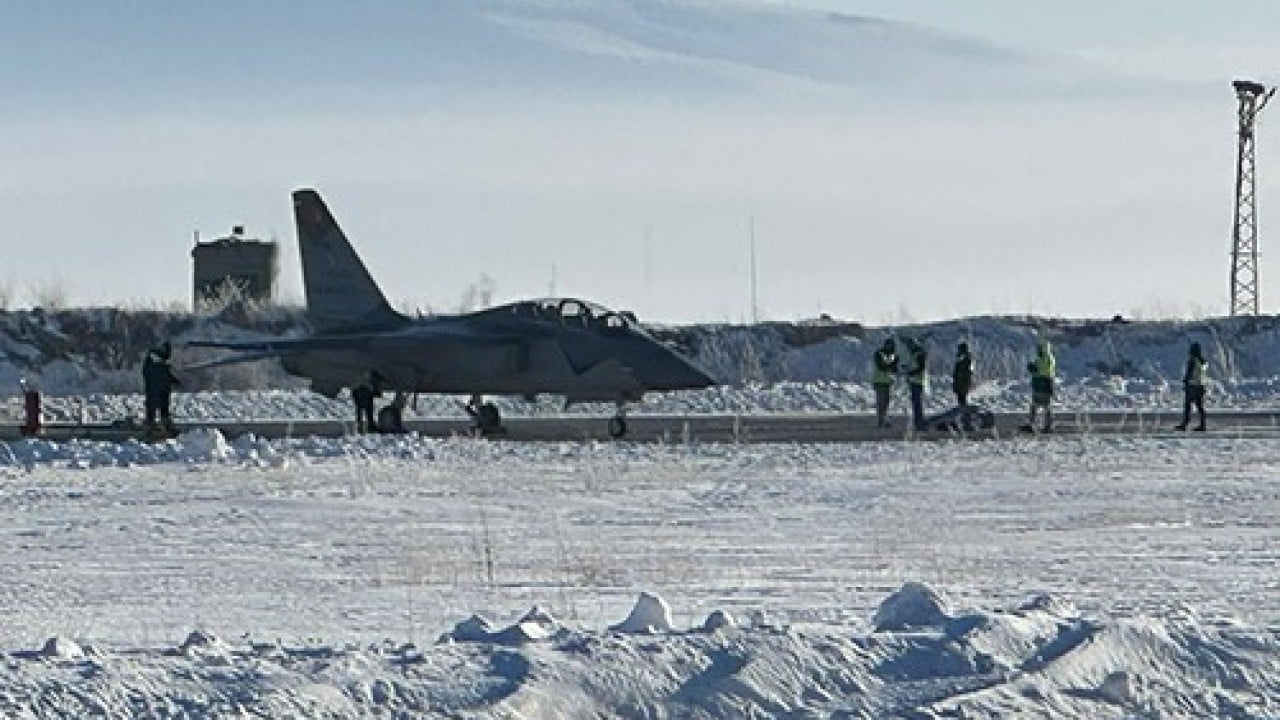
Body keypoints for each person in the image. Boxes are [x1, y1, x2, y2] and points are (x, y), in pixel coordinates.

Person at [141, 341, 180, 437]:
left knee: (160, 407)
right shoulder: (156, 361)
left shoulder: (155, 360)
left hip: (160, 388)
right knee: (157, 407)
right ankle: (153, 427)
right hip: (157, 388)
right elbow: (162, 375)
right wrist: (171, 380)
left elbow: (164, 374)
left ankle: (160, 425)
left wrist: (173, 380)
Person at [1175, 342, 1208, 431]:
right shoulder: (1204, 362)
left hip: (1192, 385)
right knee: (1199, 406)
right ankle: (1203, 424)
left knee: (1187, 406)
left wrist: (1185, 382)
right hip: (1201, 385)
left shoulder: (1193, 361)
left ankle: (1185, 423)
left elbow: (1189, 373)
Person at [1027, 339, 1056, 433]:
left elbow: (1046, 371)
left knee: (1047, 407)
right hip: (1038, 385)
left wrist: (1035, 369)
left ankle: (1049, 425)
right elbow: (1036, 371)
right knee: (1034, 406)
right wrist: (1032, 368)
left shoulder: (1049, 358)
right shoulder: (1038, 359)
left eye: (1039, 348)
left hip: (1045, 385)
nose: (1038, 350)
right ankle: (1032, 424)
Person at [871, 338, 899, 428]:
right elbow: (882, 366)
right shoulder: (879, 354)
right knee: (881, 401)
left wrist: (895, 365)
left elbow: (893, 369)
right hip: (879, 381)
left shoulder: (892, 355)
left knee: (886, 401)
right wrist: (893, 364)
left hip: (887, 381)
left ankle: (884, 418)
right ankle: (881, 420)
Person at [903, 337, 929, 431]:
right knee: (916, 403)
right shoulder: (914, 354)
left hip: (917, 381)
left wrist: (911, 373)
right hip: (914, 381)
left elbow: (920, 367)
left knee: (917, 403)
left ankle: (919, 422)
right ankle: (918, 422)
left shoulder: (919, 354)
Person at [952, 342, 974, 408]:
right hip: (960, 382)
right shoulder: (961, 359)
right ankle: (963, 410)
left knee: (962, 398)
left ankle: (964, 411)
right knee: (961, 398)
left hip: (963, 382)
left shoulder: (967, 359)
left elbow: (969, 372)